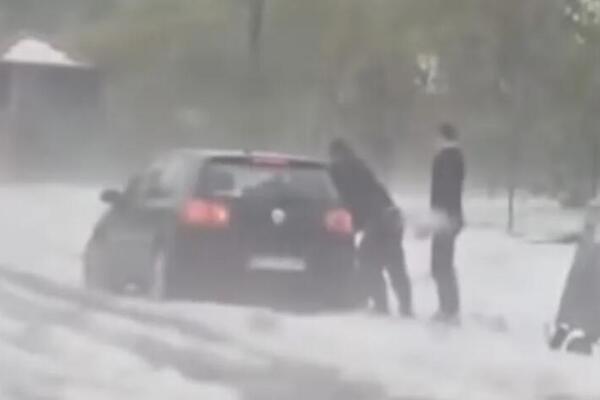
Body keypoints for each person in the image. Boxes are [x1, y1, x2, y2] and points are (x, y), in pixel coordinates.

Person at [328, 138, 413, 316]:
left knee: (368, 261)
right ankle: (405, 307)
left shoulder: (338, 169)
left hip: (377, 220)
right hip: (392, 215)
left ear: (334, 154)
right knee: (394, 263)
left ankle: (381, 305)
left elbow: (346, 199)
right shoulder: (359, 165)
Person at [430, 123, 465, 322]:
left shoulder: (444, 159)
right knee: (444, 263)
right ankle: (450, 307)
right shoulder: (457, 157)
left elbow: (444, 191)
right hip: (451, 216)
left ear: (442, 137)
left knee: (440, 264)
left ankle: (448, 309)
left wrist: (440, 217)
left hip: (445, 218)